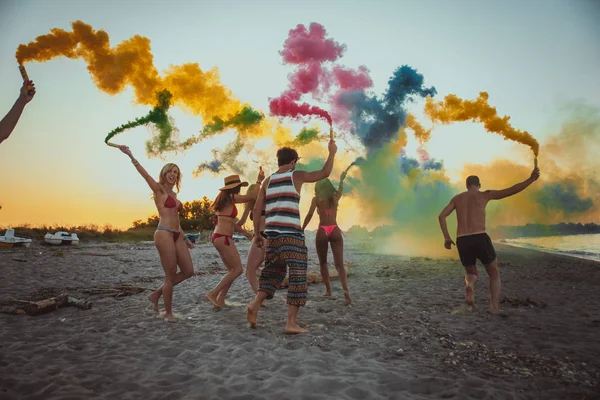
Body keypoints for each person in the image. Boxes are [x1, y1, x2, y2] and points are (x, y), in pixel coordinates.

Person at [246, 141, 337, 334]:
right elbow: (324, 173)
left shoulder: (267, 181)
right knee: (297, 276)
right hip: (291, 236)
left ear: (279, 161)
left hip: (271, 236)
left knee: (273, 273)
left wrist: (257, 234)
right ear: (293, 161)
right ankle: (291, 323)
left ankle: (254, 306)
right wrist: (332, 153)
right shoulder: (296, 175)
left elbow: (256, 208)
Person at [438, 168, 540, 315]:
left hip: (462, 240)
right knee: (493, 273)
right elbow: (511, 190)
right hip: (480, 237)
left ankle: (470, 284)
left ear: (467, 186)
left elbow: (441, 216)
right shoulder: (485, 195)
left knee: (471, 273)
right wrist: (531, 179)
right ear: (479, 185)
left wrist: (447, 237)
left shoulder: (457, 199)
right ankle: (493, 307)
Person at [119, 145, 194, 323]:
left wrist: (185, 238)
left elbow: (177, 221)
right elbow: (145, 175)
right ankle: (168, 313)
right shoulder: (159, 190)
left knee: (189, 271)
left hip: (177, 234)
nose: (173, 174)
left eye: (176, 172)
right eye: (170, 171)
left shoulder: (174, 194)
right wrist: (131, 156)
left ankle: (156, 295)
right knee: (170, 275)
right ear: (164, 173)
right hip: (164, 234)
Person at [206, 171, 265, 309]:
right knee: (237, 269)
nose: (240, 189)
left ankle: (220, 300)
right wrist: (258, 181)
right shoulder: (231, 197)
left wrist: (246, 234)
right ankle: (213, 294)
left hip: (218, 237)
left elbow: (231, 223)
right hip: (223, 237)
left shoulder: (224, 199)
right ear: (235, 188)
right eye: (239, 186)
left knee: (231, 271)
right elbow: (251, 196)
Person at [301, 171, 351, 305]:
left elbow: (310, 214)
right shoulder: (335, 197)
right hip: (334, 229)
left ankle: (328, 290)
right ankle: (346, 291)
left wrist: (302, 228)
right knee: (339, 265)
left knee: (323, 262)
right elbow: (340, 189)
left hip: (323, 229)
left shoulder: (316, 199)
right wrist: (341, 179)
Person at [236, 182, 267, 298]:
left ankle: (261, 298)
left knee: (250, 271)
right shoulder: (252, 205)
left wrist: (249, 235)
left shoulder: (265, 202)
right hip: (263, 237)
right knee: (253, 269)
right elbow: (238, 225)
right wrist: (248, 235)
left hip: (261, 237)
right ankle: (262, 296)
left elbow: (238, 225)